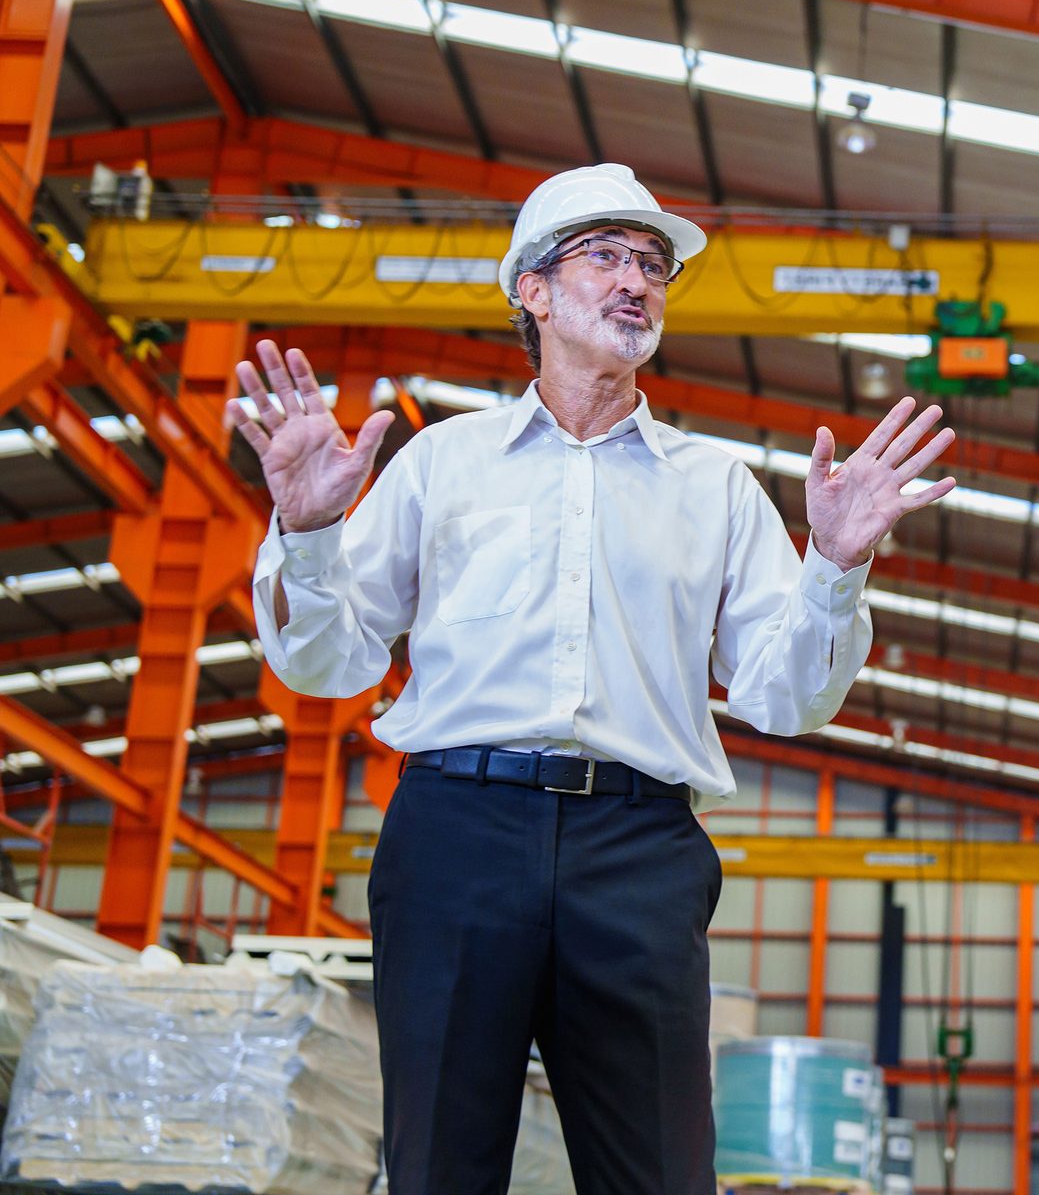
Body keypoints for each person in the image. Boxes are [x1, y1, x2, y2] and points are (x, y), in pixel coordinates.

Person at [229, 164, 957, 1195]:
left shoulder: (714, 486)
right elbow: (326, 661)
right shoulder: (445, 463)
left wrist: (835, 567)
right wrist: (305, 533)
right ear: (530, 287)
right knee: (439, 1168)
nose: (638, 282)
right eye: (607, 255)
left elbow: (786, 697)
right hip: (455, 836)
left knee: (661, 1174)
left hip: (639, 851)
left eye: (654, 265)